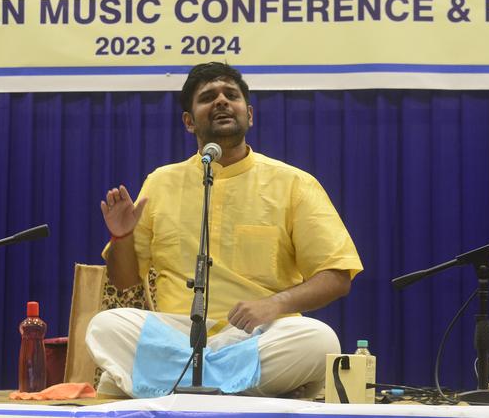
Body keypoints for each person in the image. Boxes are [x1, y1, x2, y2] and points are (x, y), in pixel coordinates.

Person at [85, 62, 363, 398]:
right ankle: (235, 390)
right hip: (177, 336)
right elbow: (125, 279)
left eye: (230, 95)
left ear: (249, 114)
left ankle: (169, 387)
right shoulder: (160, 182)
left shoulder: (294, 184)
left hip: (257, 335)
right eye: (207, 98)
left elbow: (337, 276)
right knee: (106, 327)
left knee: (319, 340)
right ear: (189, 121)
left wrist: (275, 304)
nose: (220, 101)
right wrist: (121, 237)